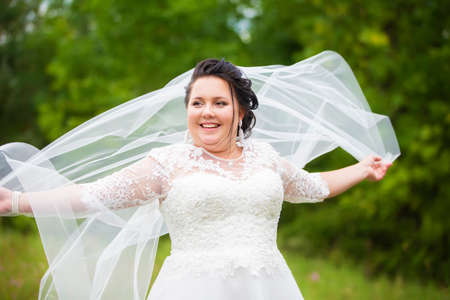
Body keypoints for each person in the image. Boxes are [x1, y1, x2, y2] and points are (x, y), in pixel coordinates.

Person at [0, 52, 398, 299]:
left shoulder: (267, 159)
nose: (207, 111)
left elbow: (315, 187)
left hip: (267, 288)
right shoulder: (167, 163)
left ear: (240, 112)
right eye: (197, 103)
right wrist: (16, 201)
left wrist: (362, 168)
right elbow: (91, 196)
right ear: (187, 110)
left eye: (219, 103)